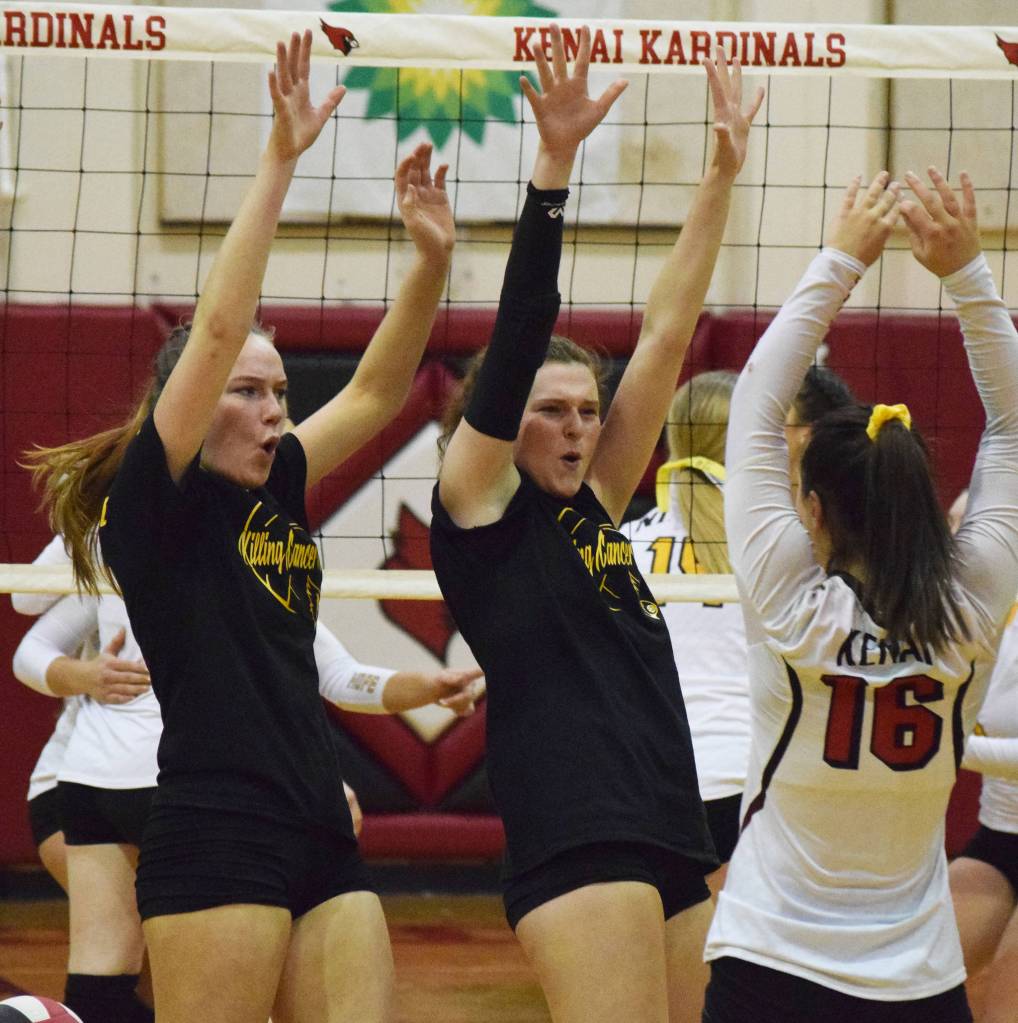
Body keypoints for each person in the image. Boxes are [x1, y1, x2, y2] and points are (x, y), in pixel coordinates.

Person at [22, 30, 455, 1023]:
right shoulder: (152, 504)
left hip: (318, 817)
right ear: (194, 400)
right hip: (217, 825)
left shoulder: (280, 482)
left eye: (278, 393)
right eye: (250, 393)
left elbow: (383, 387)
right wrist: (280, 159)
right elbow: (216, 331)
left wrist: (428, 262)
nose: (274, 409)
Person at [431, 26, 762, 1023]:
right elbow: (521, 325)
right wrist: (555, 166)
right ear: (498, 419)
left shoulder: (599, 511)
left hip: (671, 827)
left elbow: (666, 331)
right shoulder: (478, 504)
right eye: (551, 410)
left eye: (587, 410)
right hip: (578, 834)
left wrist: (722, 173)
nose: (579, 426)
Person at [703, 166, 1018, 1023]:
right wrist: (968, 274)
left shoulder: (791, 608)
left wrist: (840, 257)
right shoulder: (973, 608)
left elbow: (753, 408)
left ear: (812, 509)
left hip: (768, 961)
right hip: (914, 977)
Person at [12, 541, 482, 1023]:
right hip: (185, 788)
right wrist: (85, 674)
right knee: (224, 980)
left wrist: (426, 688)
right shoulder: (161, 534)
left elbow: (340, 676)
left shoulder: (128, 529)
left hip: (92, 778)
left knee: (111, 974)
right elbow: (332, 678)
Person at [621, 371, 749, 893]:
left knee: (669, 962)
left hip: (656, 781)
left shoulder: (622, 541)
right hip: (754, 779)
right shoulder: (782, 539)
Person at [945, 489, 1018, 1023]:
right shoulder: (954, 623)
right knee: (912, 971)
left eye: (967, 528)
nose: (955, 542)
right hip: (1000, 836)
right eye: (950, 525)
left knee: (1003, 1007)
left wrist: (944, 744)